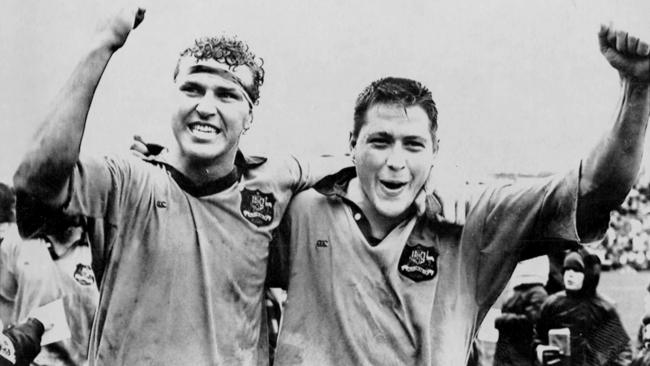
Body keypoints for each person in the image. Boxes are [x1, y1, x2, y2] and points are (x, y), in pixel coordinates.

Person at [270, 25, 650, 365]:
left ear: (436, 151)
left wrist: (636, 89)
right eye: (380, 142)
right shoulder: (302, 211)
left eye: (413, 145)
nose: (395, 162)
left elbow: (596, 190)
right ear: (352, 144)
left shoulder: (472, 219)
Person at [11, 4, 352, 365]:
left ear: (250, 115)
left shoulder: (273, 180)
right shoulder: (128, 182)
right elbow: (36, 180)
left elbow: (362, 168)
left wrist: (421, 188)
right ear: (173, 98)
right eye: (192, 89)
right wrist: (103, 44)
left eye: (226, 94)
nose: (206, 106)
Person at [0, 214, 99, 366]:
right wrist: (12, 348)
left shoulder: (101, 243)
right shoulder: (15, 240)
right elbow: (6, 299)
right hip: (31, 358)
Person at [535, 249, 632, 366]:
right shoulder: (552, 304)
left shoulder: (603, 308)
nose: (569, 274)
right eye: (567, 270)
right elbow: (537, 337)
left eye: (576, 270)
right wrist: (539, 350)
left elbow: (622, 351)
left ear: (588, 274)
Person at [493, 256, 550, 366]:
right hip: (508, 356)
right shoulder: (518, 291)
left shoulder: (538, 293)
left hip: (521, 356)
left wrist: (503, 320)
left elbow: (532, 322)